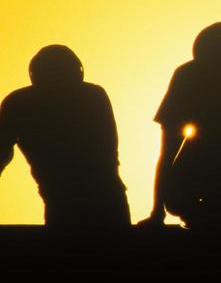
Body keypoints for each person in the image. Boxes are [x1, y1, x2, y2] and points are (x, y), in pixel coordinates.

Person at [141, 22, 221, 227]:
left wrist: (157, 212)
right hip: (200, 179)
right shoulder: (188, 77)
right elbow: (169, 149)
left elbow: (168, 151)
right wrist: (157, 211)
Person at [0, 45, 131, 227]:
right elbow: (109, 151)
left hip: (68, 201)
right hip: (104, 199)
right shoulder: (93, 96)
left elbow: (2, 152)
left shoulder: (19, 103)